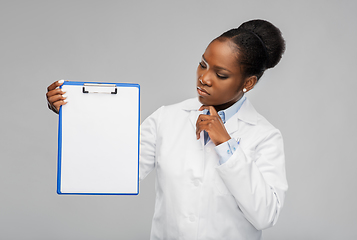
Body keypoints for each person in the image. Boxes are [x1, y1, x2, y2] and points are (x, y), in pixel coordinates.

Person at [47, 19, 288, 240]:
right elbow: (116, 174)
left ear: (248, 83)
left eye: (221, 74)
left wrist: (226, 144)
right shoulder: (167, 119)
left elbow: (265, 215)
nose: (204, 78)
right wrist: (76, 116)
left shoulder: (264, 136)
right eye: (203, 64)